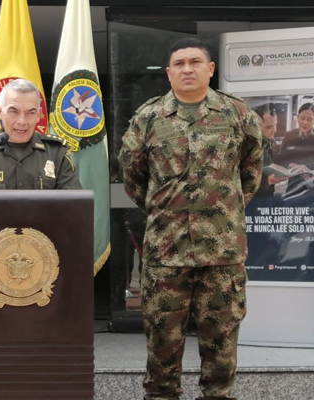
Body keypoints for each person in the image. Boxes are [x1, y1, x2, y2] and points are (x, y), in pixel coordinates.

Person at [118, 38, 263, 400]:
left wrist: (221, 211)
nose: (187, 69)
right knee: (162, 346)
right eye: (179, 64)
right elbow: (133, 179)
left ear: (210, 69)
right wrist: (166, 210)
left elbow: (250, 175)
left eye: (195, 62)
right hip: (166, 254)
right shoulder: (148, 119)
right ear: (168, 73)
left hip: (222, 254)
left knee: (221, 348)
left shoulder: (238, 115)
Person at [0, 78, 80, 190]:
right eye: (13, 111)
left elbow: (75, 205)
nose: (22, 121)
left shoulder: (56, 153)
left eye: (30, 113)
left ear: (39, 115)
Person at [278, 102, 314, 169]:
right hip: (290, 173)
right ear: (297, 117)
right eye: (302, 118)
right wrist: (290, 165)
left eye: (309, 119)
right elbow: (280, 159)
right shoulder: (289, 135)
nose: (305, 122)